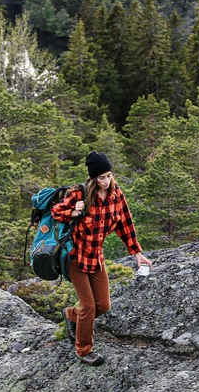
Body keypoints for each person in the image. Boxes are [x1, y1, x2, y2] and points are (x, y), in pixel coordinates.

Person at [51, 151, 152, 366]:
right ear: (93, 178)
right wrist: (73, 212)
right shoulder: (79, 194)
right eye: (101, 177)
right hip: (75, 257)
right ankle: (83, 349)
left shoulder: (117, 195)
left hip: (96, 258)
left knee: (103, 306)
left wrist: (137, 253)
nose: (106, 181)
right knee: (88, 306)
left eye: (108, 175)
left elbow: (126, 224)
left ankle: (70, 314)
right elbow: (56, 212)